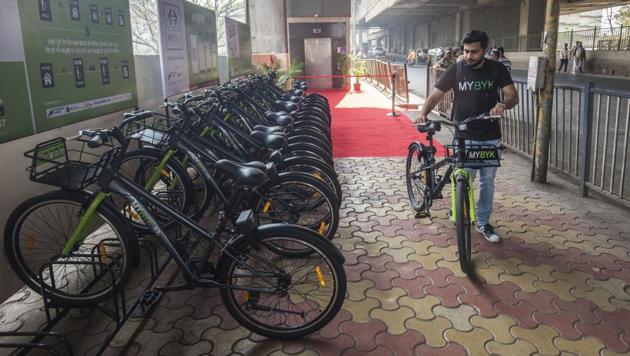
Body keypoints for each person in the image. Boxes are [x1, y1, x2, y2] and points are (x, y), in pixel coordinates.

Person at [415, 30, 519, 243]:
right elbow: (435, 95)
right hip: (463, 133)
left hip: (490, 135)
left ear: (484, 51)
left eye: (474, 52)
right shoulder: (457, 68)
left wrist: (503, 104)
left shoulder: (496, 69)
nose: (468, 56)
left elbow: (512, 96)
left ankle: (482, 222)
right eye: (465, 51)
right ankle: (458, 212)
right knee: (464, 178)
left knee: (487, 182)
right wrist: (423, 113)